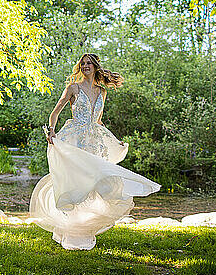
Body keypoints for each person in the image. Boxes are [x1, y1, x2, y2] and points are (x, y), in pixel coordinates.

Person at [29, 53, 160, 250]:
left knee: (96, 184)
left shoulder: (102, 91)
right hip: (75, 139)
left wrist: (113, 140)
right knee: (76, 183)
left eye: (89, 63)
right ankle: (70, 230)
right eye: (83, 64)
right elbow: (55, 111)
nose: (85, 66)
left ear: (95, 66)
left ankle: (84, 229)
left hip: (94, 141)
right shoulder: (72, 88)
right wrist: (51, 131)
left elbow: (98, 121)